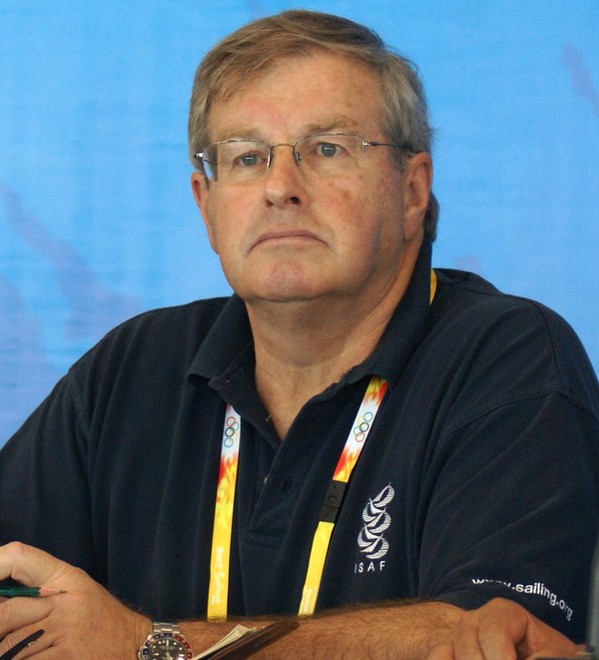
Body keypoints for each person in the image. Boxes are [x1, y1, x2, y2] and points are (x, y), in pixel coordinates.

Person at [0, 9, 597, 659]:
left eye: (327, 148)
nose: (280, 188)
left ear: (412, 189)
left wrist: (150, 646)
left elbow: (490, 639)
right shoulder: (130, 369)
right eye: (247, 157)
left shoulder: (507, 358)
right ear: (206, 202)